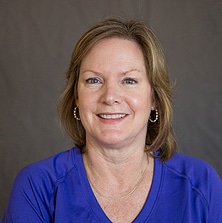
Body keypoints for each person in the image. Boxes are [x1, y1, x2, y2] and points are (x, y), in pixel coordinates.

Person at [1, 18, 222, 223]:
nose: (110, 97)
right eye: (94, 80)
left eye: (129, 80)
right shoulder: (37, 187)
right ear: (76, 97)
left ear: (154, 97)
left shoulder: (201, 186)